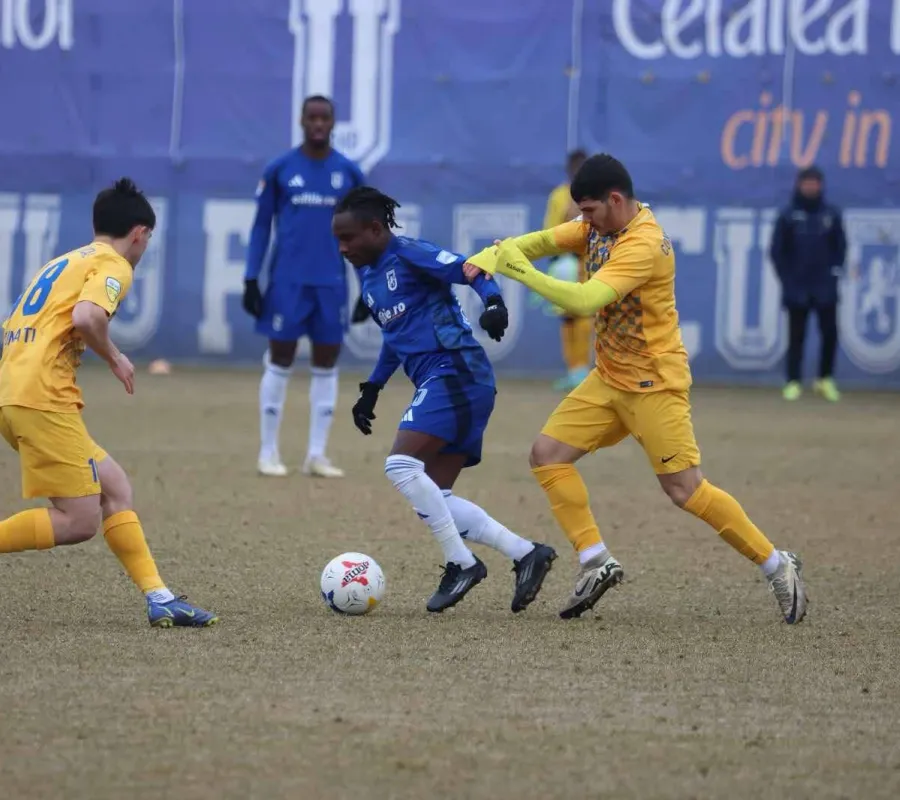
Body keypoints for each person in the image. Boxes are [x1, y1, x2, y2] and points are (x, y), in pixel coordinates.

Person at [464, 154, 808, 625]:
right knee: (547, 455)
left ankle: (776, 564)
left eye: (587, 210)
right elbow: (543, 240)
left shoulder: (644, 244)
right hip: (608, 377)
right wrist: (488, 258)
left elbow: (585, 300)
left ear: (616, 200)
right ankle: (595, 560)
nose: (580, 220)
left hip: (654, 383)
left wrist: (517, 271)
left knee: (685, 490)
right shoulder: (595, 228)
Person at [0, 178, 217, 628]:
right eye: (147, 241)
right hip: (42, 397)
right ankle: (160, 597)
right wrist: (115, 357)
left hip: (15, 391)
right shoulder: (114, 264)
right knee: (79, 522)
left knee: (115, 487)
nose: (144, 250)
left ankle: (160, 597)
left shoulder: (63, 262)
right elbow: (86, 316)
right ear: (139, 233)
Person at [333, 186, 558, 613]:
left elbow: (473, 270)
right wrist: (373, 388)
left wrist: (493, 304)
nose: (343, 248)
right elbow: (395, 339)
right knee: (435, 496)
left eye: (349, 239)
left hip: (455, 370)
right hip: (449, 380)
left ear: (376, 229)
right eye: (338, 241)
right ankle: (527, 554)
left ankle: (462, 563)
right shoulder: (368, 277)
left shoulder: (409, 253)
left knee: (400, 466)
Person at [243, 95, 365, 478]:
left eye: (324, 118)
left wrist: (367, 284)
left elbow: (364, 234)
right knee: (280, 359)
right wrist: (251, 276)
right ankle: (267, 452)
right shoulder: (281, 169)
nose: (317, 124)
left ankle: (316, 454)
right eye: (311, 117)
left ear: (333, 123)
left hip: (331, 283)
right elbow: (262, 226)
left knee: (327, 362)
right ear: (301, 121)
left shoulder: (348, 173)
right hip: (288, 282)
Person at [769, 165, 847, 402]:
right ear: (799, 185)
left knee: (830, 334)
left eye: (815, 182)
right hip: (797, 287)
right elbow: (777, 251)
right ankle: (793, 381)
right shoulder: (788, 215)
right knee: (796, 336)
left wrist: (834, 273)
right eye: (807, 182)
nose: (811, 187)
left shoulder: (831, 214)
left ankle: (825, 379)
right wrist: (787, 279)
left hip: (825, 287)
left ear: (820, 185)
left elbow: (840, 247)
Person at [544, 149, 593, 391]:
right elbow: (550, 230)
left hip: (589, 262)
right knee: (567, 319)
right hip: (565, 263)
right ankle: (573, 370)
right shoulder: (560, 196)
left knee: (586, 315)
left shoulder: (597, 195)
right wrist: (553, 262)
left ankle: (584, 369)